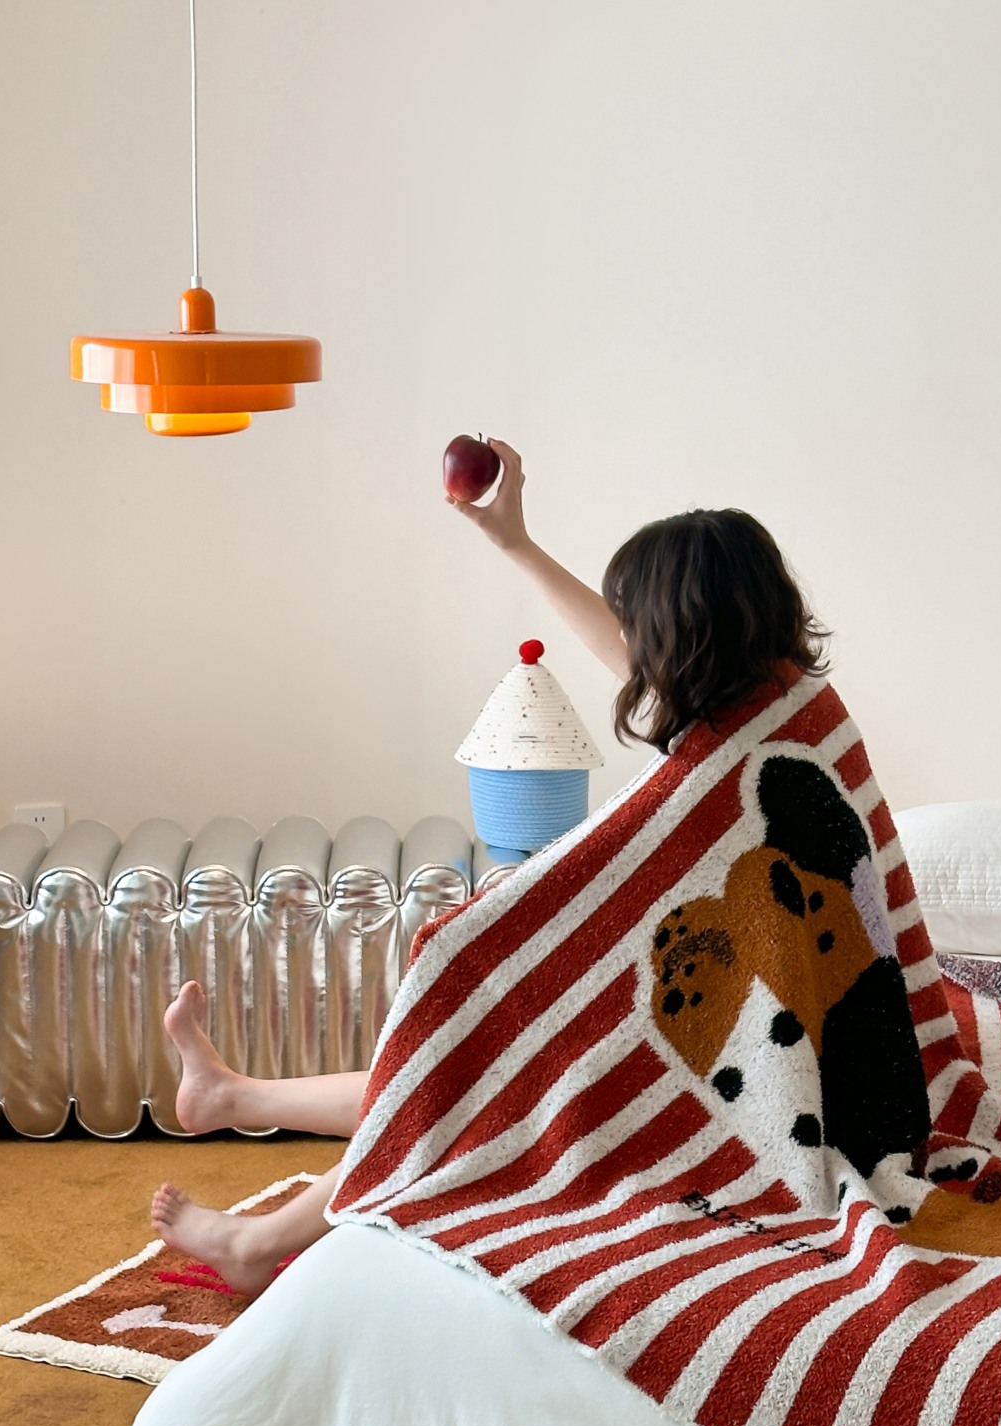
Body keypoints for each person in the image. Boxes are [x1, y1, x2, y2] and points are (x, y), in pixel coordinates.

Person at [150, 437, 830, 1294]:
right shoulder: (780, 701)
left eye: (645, 627)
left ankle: (260, 1240)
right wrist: (514, 541)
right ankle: (233, 1099)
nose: (635, 647)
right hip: (747, 999)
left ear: (684, 636)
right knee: (497, 1050)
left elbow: (616, 875)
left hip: (762, 1051)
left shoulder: (741, 750)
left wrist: (490, 925)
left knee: (497, 1064)